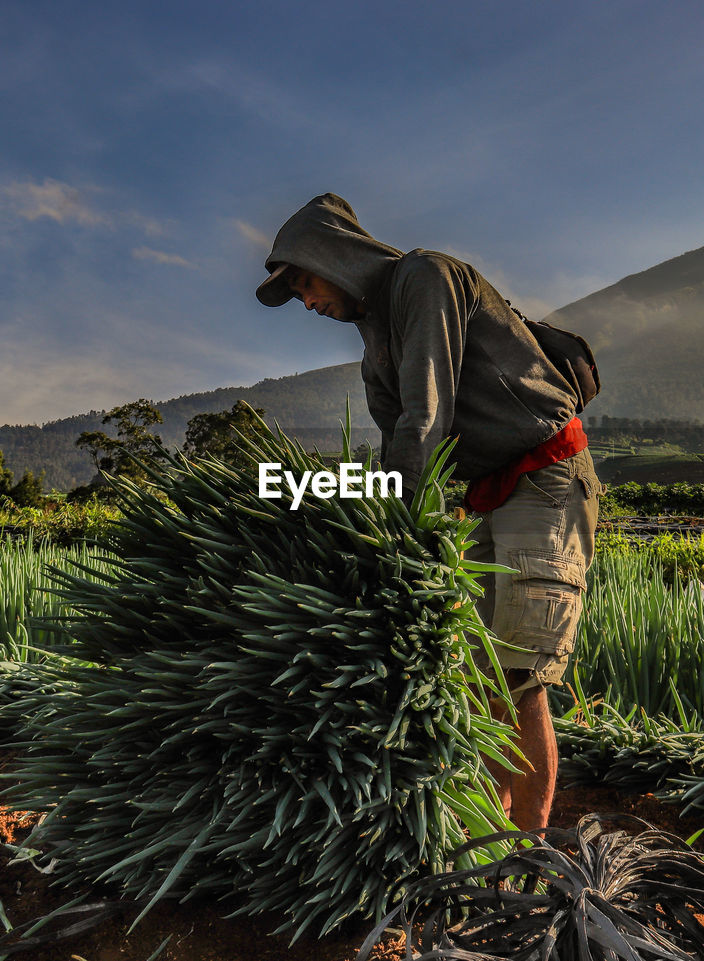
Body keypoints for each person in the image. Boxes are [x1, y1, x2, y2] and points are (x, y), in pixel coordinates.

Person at [256, 193, 601, 831]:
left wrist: (401, 539)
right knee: (474, 679)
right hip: (485, 492)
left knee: (518, 681)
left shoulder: (424, 278)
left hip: (544, 482)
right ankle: (486, 848)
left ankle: (527, 863)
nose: (305, 302)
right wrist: (298, 494)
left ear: (335, 256)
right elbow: (396, 456)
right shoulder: (374, 341)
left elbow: (425, 421)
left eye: (304, 282)